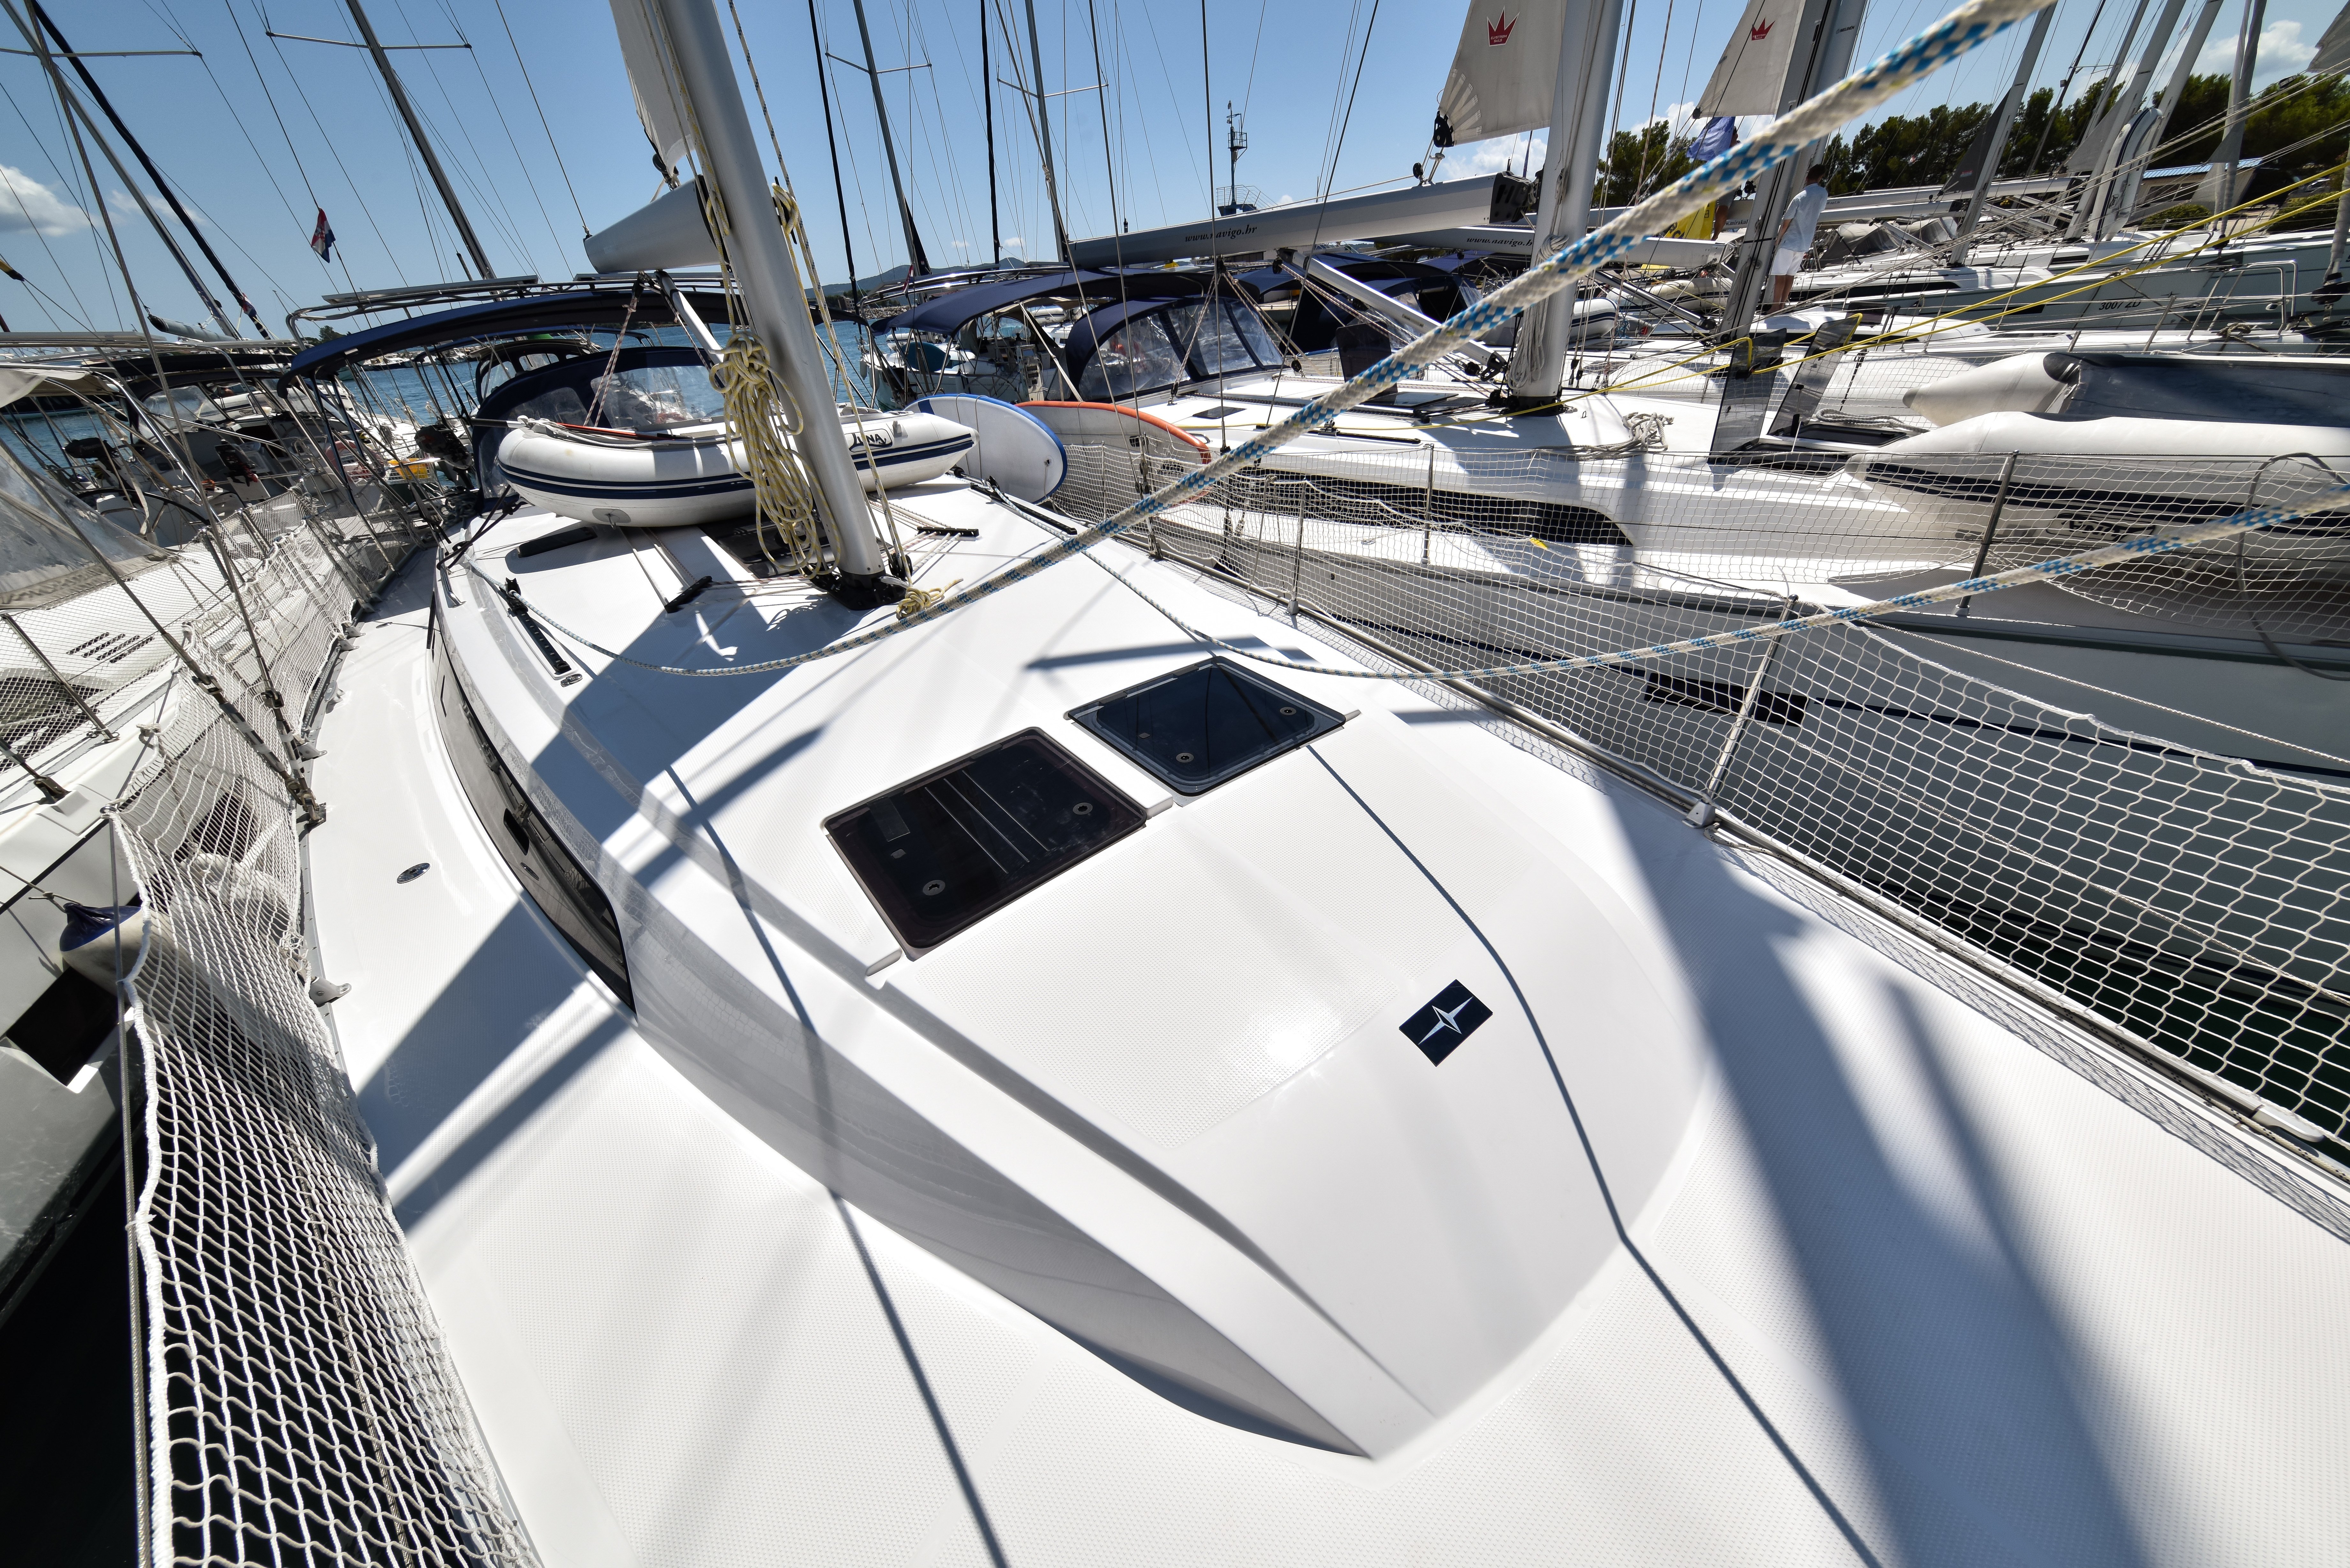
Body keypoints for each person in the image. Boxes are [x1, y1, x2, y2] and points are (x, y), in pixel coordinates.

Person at [1771, 164, 1831, 307]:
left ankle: (1774, 308)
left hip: (1790, 242)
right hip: (1804, 243)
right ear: (1820, 178)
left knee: (1780, 276)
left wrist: (1779, 239)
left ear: (1807, 178)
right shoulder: (1823, 194)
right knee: (1790, 276)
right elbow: (1821, 209)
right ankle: (1782, 305)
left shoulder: (1799, 198)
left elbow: (1787, 221)